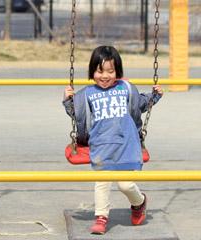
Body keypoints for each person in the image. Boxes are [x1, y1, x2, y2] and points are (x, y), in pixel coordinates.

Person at [63, 46, 163, 234]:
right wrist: (68, 100)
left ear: (118, 71)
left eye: (110, 71)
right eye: (100, 71)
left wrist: (155, 96)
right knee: (102, 181)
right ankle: (101, 217)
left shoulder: (125, 88)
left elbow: (140, 103)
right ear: (92, 71)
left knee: (125, 184)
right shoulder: (87, 93)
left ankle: (139, 202)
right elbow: (78, 114)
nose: (105, 76)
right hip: (101, 145)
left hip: (126, 144)